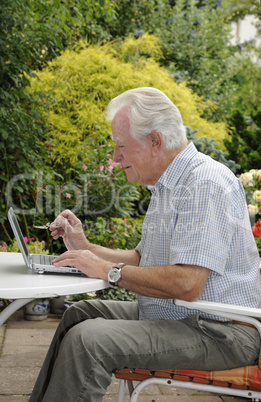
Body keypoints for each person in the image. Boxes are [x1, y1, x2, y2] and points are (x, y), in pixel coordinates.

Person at [29, 87, 261, 402]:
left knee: (88, 340)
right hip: (182, 317)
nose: (114, 157)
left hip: (222, 333)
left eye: (121, 145)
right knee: (78, 315)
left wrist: (109, 271)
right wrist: (84, 247)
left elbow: (188, 284)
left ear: (155, 141)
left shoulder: (204, 184)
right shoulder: (168, 184)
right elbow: (142, 258)